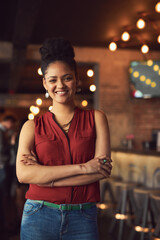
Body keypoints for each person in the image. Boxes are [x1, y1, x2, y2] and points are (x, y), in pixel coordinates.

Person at [16, 38, 112, 240]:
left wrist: (44, 177)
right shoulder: (31, 127)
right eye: (52, 80)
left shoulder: (96, 118)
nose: (60, 85)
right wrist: (84, 168)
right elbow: (24, 175)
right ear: (45, 83)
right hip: (38, 215)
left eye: (67, 78)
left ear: (77, 80)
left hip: (83, 217)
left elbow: (102, 169)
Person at [0, 115, 16, 232]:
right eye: (12, 123)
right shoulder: (1, 132)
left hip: (3, 166)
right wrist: (11, 143)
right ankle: (5, 225)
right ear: (8, 122)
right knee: (4, 195)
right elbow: (1, 149)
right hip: (2, 166)